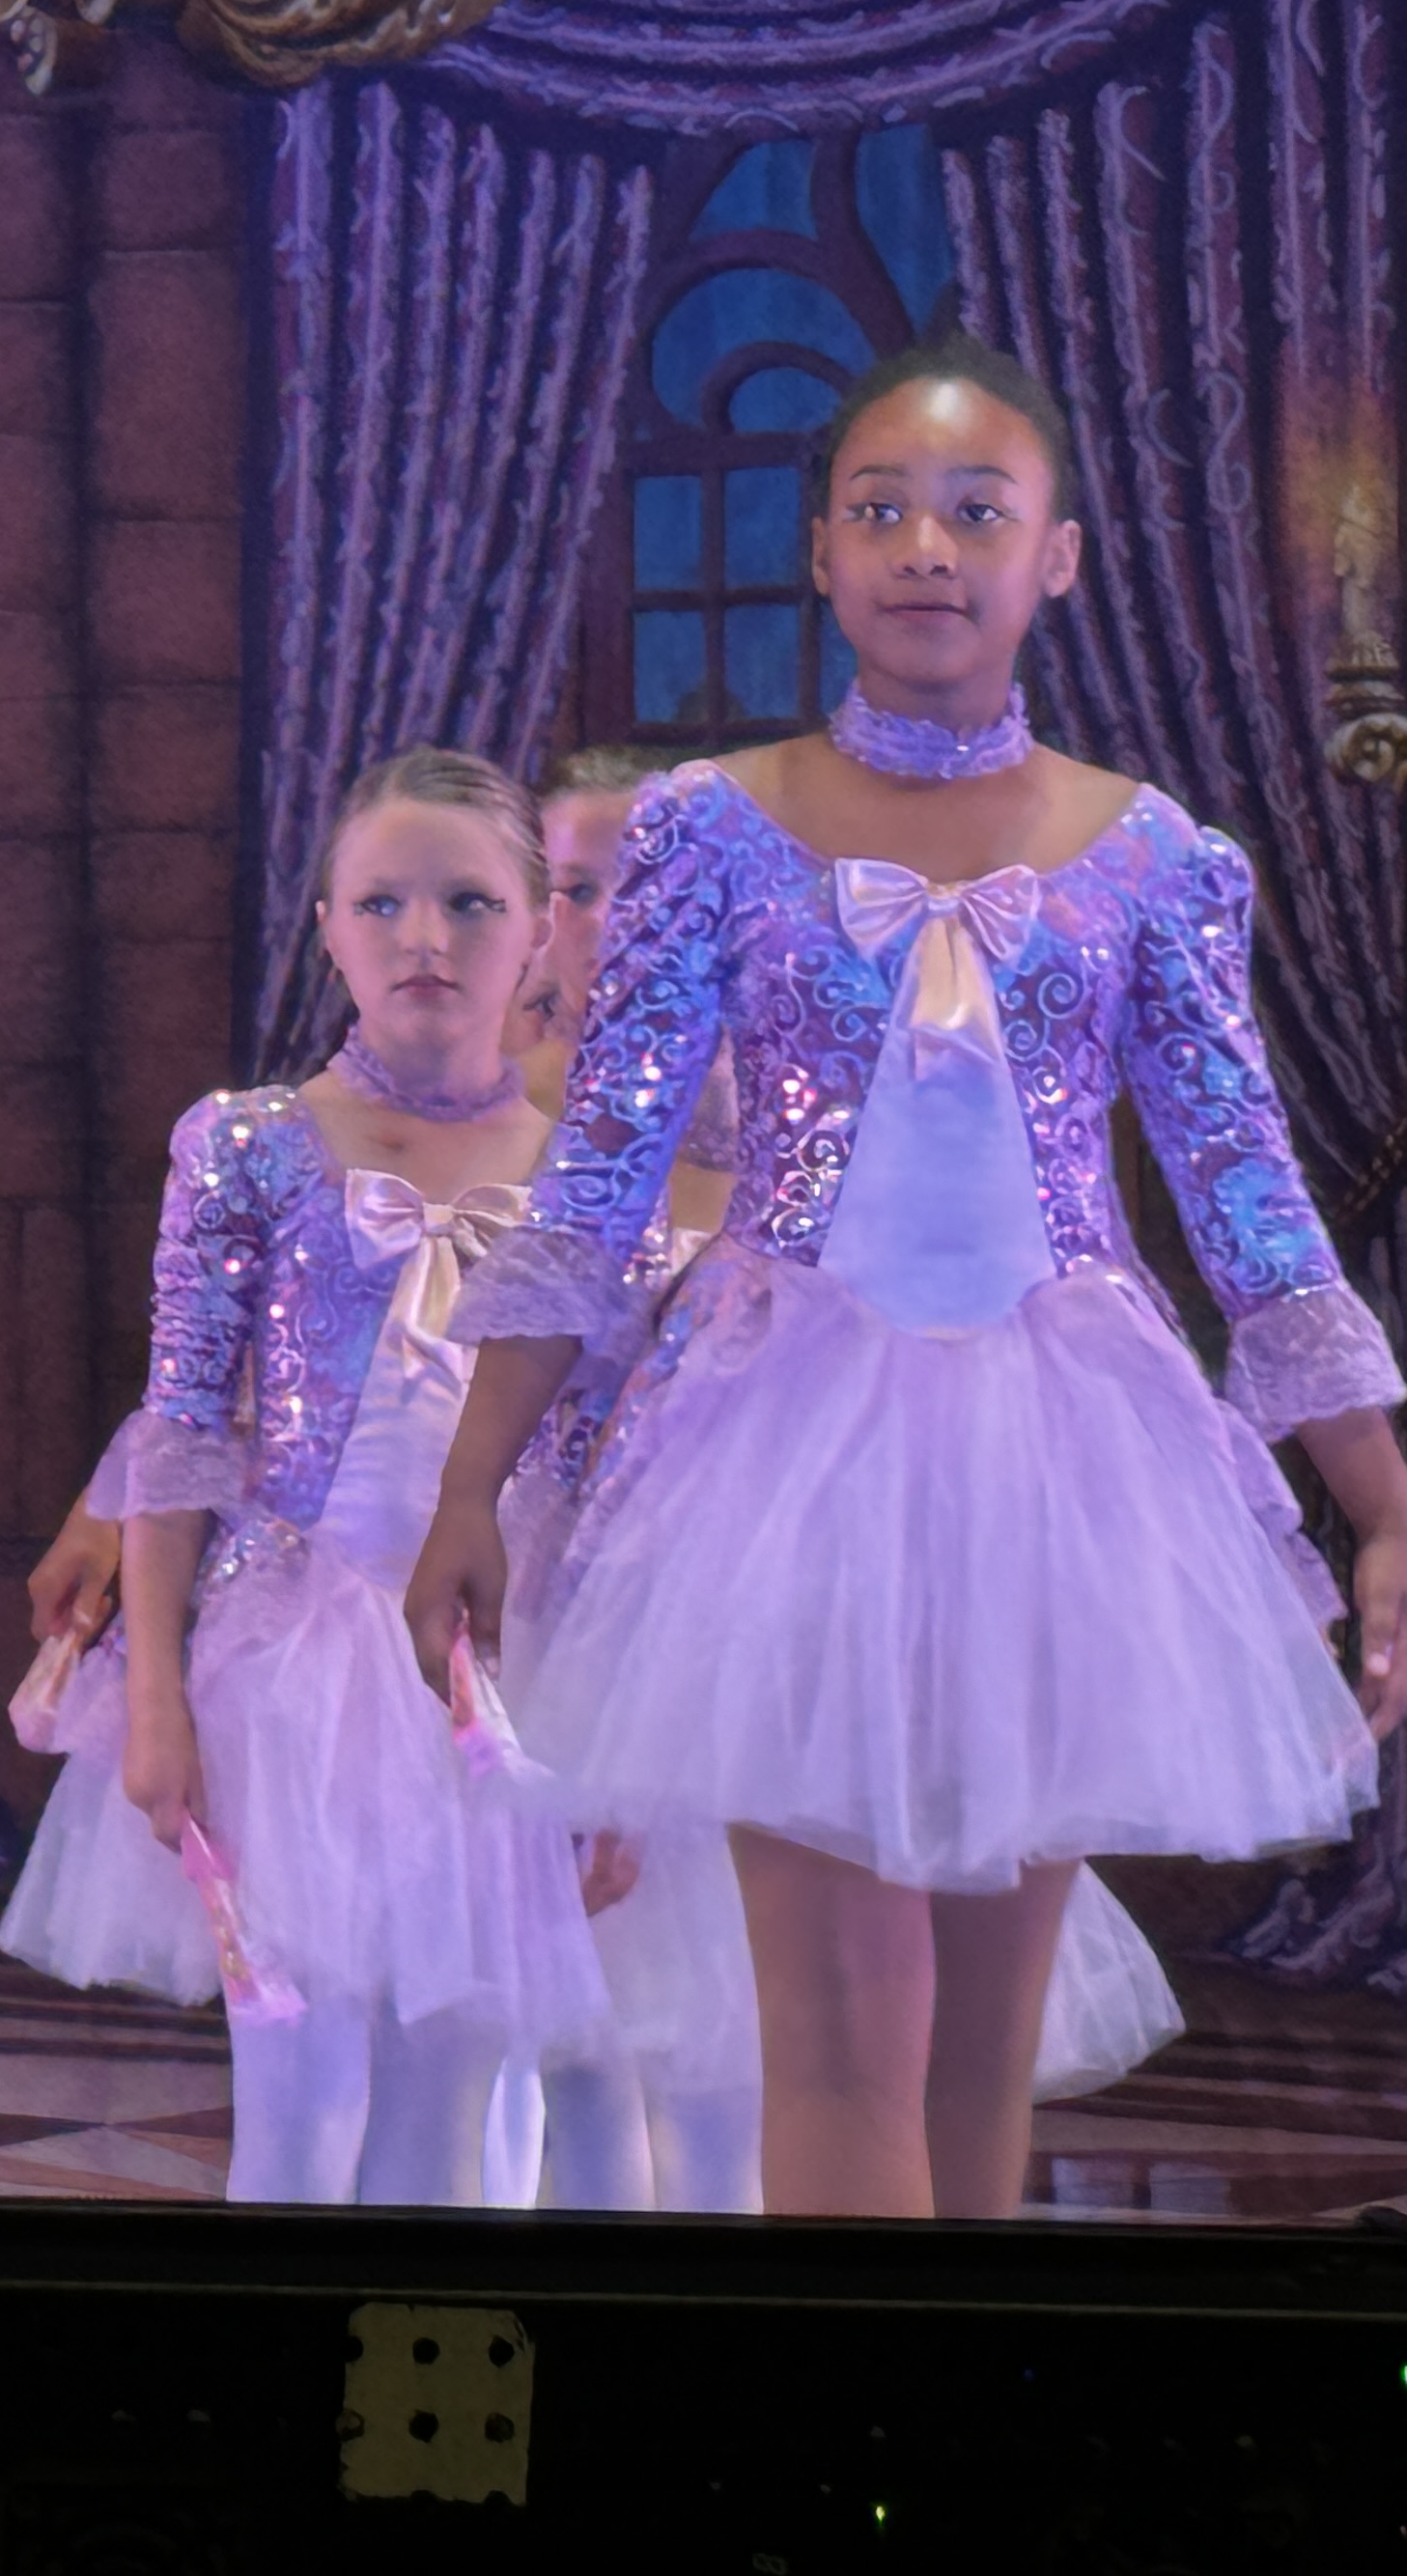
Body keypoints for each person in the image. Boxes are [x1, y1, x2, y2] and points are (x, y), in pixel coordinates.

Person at [407, 338, 1407, 2219]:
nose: (926, 546)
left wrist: (1385, 1501)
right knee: (842, 2035)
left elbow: (1252, 1204)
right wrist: (471, 1485)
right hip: (787, 1459)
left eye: (974, 511)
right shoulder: (713, 828)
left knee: (978, 2053)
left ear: (1059, 558)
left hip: (1067, 1469)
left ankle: (970, 2401)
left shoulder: (1154, 859)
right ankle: (852, 2397)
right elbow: (601, 1179)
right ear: (821, 555)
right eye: (879, 510)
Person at [0, 750, 607, 2206]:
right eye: (381, 902)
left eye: (471, 902)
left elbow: (597, 1469)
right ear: (326, 925)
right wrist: (158, 1697)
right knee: (300, 2099)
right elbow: (181, 1429)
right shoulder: (250, 1146)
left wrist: (613, 1744)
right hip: (293, 1674)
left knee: (457, 2107)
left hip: (502, 1680)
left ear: (537, 931)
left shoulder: (586, 1173)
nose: (424, 937)